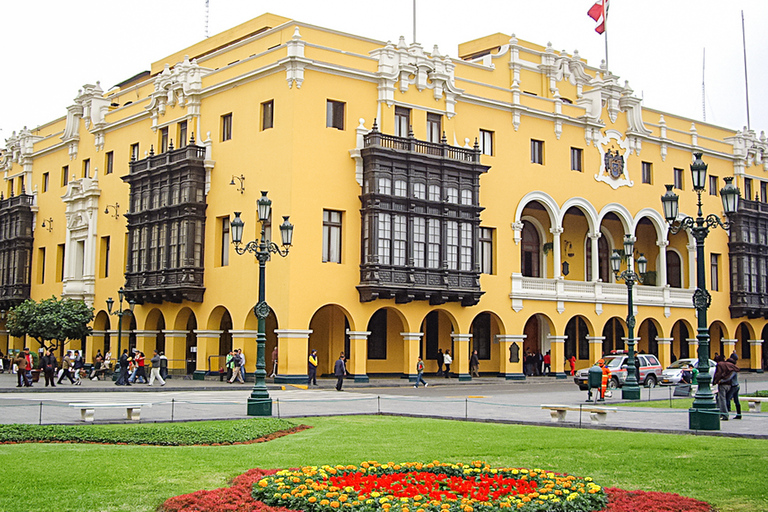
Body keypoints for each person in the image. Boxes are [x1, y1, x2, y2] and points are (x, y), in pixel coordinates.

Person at [712, 354, 733, 421]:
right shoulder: (728, 364)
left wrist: (715, 381)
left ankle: (725, 414)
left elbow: (718, 374)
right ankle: (720, 413)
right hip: (729, 384)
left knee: (722, 399)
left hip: (722, 384)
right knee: (721, 398)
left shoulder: (720, 365)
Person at [724, 355, 742, 420]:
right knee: (736, 400)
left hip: (734, 386)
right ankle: (738, 414)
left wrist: (722, 380)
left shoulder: (733, 371)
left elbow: (729, 378)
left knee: (727, 398)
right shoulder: (734, 369)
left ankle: (727, 411)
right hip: (736, 386)